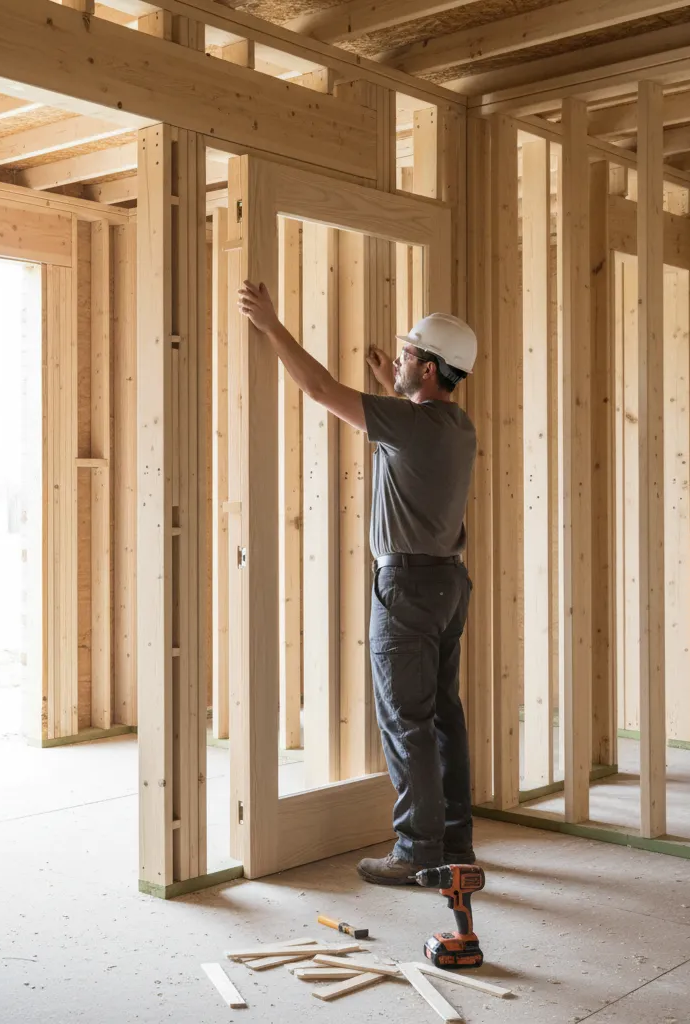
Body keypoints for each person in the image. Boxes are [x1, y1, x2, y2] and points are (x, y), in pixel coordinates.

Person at [236, 280, 478, 886]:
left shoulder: (408, 422)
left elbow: (318, 389)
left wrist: (270, 324)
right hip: (448, 585)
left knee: (405, 720)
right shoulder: (456, 425)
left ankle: (417, 852)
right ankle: (454, 845)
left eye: (405, 356)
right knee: (443, 716)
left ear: (427, 369)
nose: (395, 361)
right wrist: (387, 385)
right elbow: (405, 429)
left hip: (407, 591)